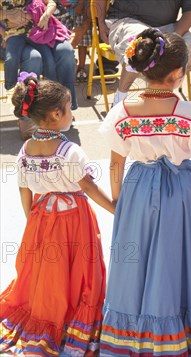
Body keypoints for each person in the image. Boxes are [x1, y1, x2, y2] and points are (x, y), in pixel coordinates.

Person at [98, 29, 191, 356]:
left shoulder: (122, 113)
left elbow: (115, 165)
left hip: (138, 191)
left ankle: (136, 338)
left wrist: (118, 202)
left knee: (138, 262)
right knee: (184, 257)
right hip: (181, 193)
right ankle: (186, 334)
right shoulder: (190, 114)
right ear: (179, 73)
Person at [0, 74, 113, 355]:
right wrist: (117, 209)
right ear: (56, 114)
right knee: (80, 271)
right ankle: (73, 315)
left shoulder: (26, 150)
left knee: (47, 273)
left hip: (41, 217)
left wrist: (32, 220)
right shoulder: (69, 151)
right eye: (70, 107)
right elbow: (88, 186)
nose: (72, 112)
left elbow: (24, 189)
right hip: (74, 219)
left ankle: (49, 310)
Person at [96, 0, 191, 106]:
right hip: (128, 20)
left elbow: (190, 12)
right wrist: (100, 24)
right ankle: (119, 102)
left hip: (169, 27)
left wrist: (173, 38)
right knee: (141, 44)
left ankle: (161, 96)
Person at [0, 0, 77, 109]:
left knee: (65, 53)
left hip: (39, 32)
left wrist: (45, 16)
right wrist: (6, 21)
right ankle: (20, 101)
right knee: (32, 58)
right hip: (12, 34)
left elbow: (51, 3)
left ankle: (60, 103)